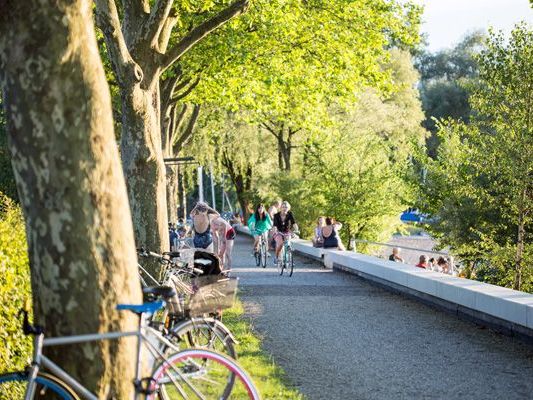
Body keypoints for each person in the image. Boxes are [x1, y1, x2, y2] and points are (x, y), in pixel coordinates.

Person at [272, 201, 298, 265]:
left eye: (286, 207)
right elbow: (275, 225)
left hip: (286, 232)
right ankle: (276, 257)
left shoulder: (290, 214)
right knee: (280, 244)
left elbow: (294, 223)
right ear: (281, 208)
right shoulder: (276, 215)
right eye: (283, 207)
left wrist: (297, 229)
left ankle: (289, 260)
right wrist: (275, 230)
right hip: (278, 232)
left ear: (288, 208)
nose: (284, 208)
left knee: (288, 245)